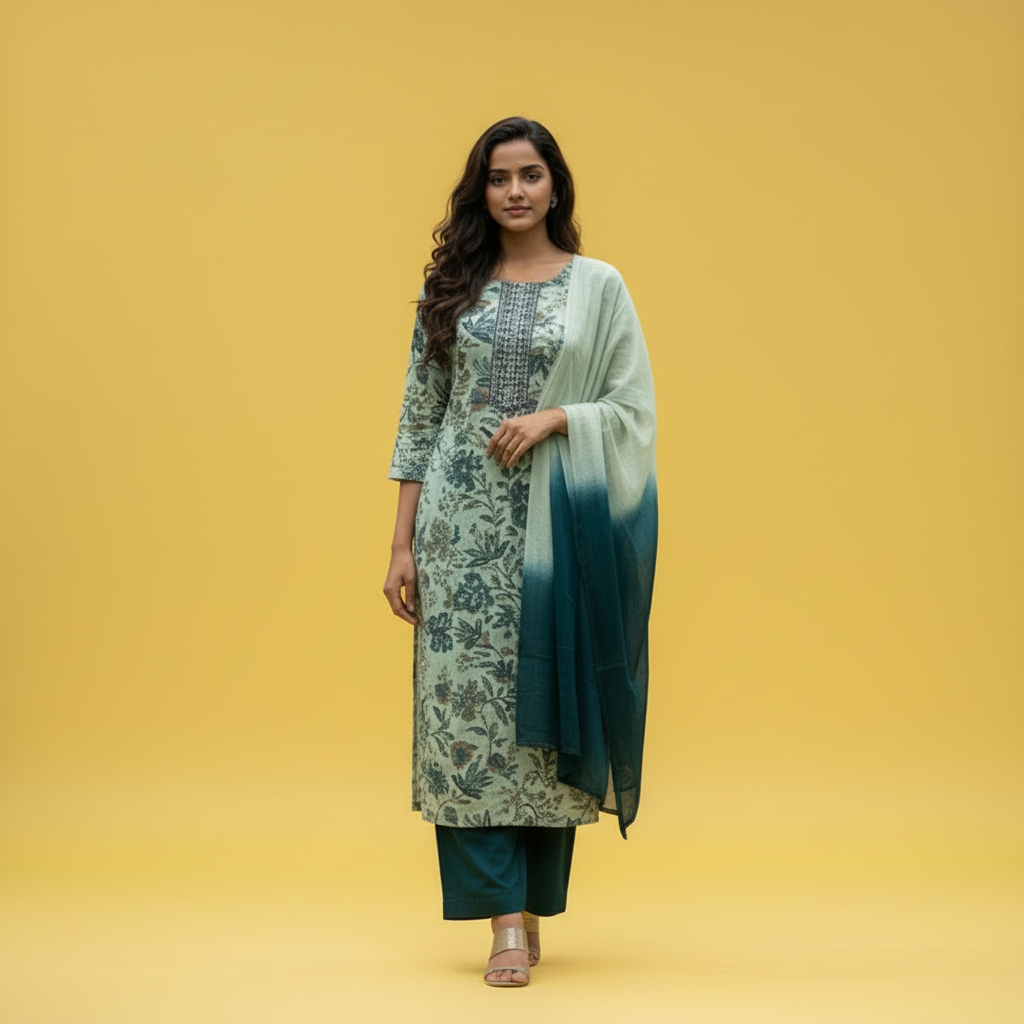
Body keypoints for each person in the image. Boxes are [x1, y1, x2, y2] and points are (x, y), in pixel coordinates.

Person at [383, 116, 658, 988]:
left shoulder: (598, 286)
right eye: (499, 177)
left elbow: (633, 407)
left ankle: (532, 899)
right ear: (481, 189)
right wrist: (401, 545)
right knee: (462, 722)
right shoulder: (453, 289)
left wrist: (558, 418)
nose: (514, 191)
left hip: (556, 532)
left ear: (555, 185)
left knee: (544, 712)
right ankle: (501, 920)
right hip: (461, 535)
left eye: (530, 174)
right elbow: (419, 418)